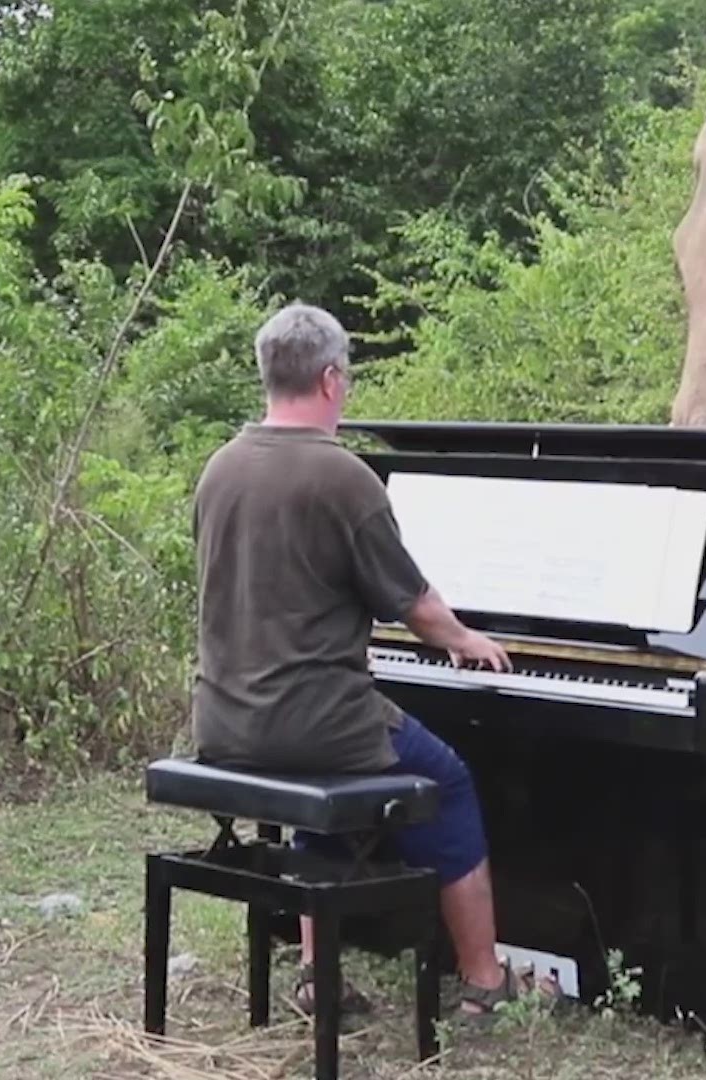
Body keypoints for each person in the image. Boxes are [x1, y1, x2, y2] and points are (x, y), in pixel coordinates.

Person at [189, 301, 554, 1017]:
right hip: (312, 722)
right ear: (331, 380)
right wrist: (466, 641)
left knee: (326, 790)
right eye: (346, 378)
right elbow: (413, 604)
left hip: (225, 719)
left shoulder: (220, 468)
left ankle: (317, 978)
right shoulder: (342, 477)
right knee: (446, 781)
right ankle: (485, 982)